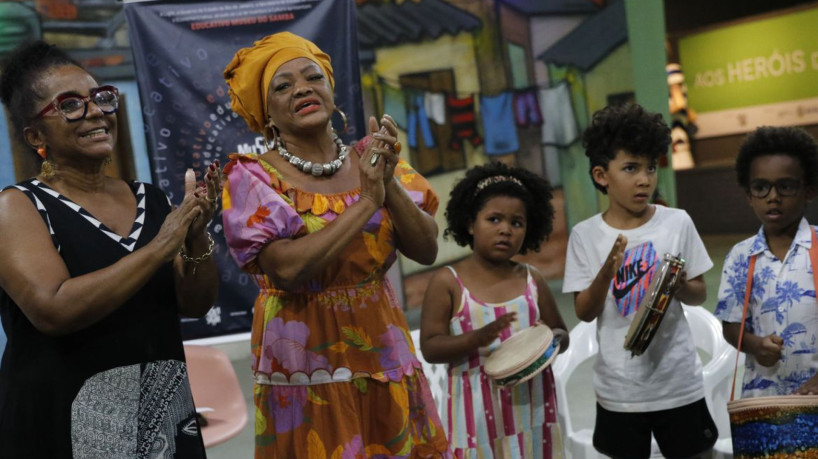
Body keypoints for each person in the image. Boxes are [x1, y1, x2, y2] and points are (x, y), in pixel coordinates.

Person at [221, 32, 450, 458]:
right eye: (283, 86)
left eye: (313, 78)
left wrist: (385, 181)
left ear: (331, 91)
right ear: (267, 115)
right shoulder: (252, 177)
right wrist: (366, 203)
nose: (302, 89)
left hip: (382, 344)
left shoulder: (373, 159)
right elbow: (287, 270)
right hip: (306, 362)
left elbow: (426, 250)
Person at [0, 41, 220, 457]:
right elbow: (53, 309)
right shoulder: (17, 207)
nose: (96, 112)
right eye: (70, 105)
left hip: (159, 417)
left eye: (101, 98)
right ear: (35, 135)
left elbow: (194, 304)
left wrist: (195, 235)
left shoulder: (149, 198)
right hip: (65, 423)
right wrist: (160, 247)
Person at [562, 103, 717, 459]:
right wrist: (607, 272)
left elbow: (699, 294)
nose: (645, 179)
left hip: (679, 384)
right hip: (619, 391)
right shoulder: (585, 235)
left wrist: (678, 285)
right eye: (630, 168)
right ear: (601, 175)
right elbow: (584, 312)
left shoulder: (677, 222)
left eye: (650, 167)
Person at [419, 161, 570, 458]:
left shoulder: (532, 279)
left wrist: (545, 342)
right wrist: (476, 338)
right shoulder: (448, 282)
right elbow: (431, 348)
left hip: (533, 409)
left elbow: (561, 334)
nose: (505, 230)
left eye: (517, 223)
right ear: (470, 224)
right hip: (474, 417)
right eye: (494, 219)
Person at [715, 126, 818, 397]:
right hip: (763, 400)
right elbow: (731, 324)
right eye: (761, 187)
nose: (773, 197)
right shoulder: (740, 256)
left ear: (809, 190)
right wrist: (754, 344)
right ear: (749, 195)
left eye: (786, 186)